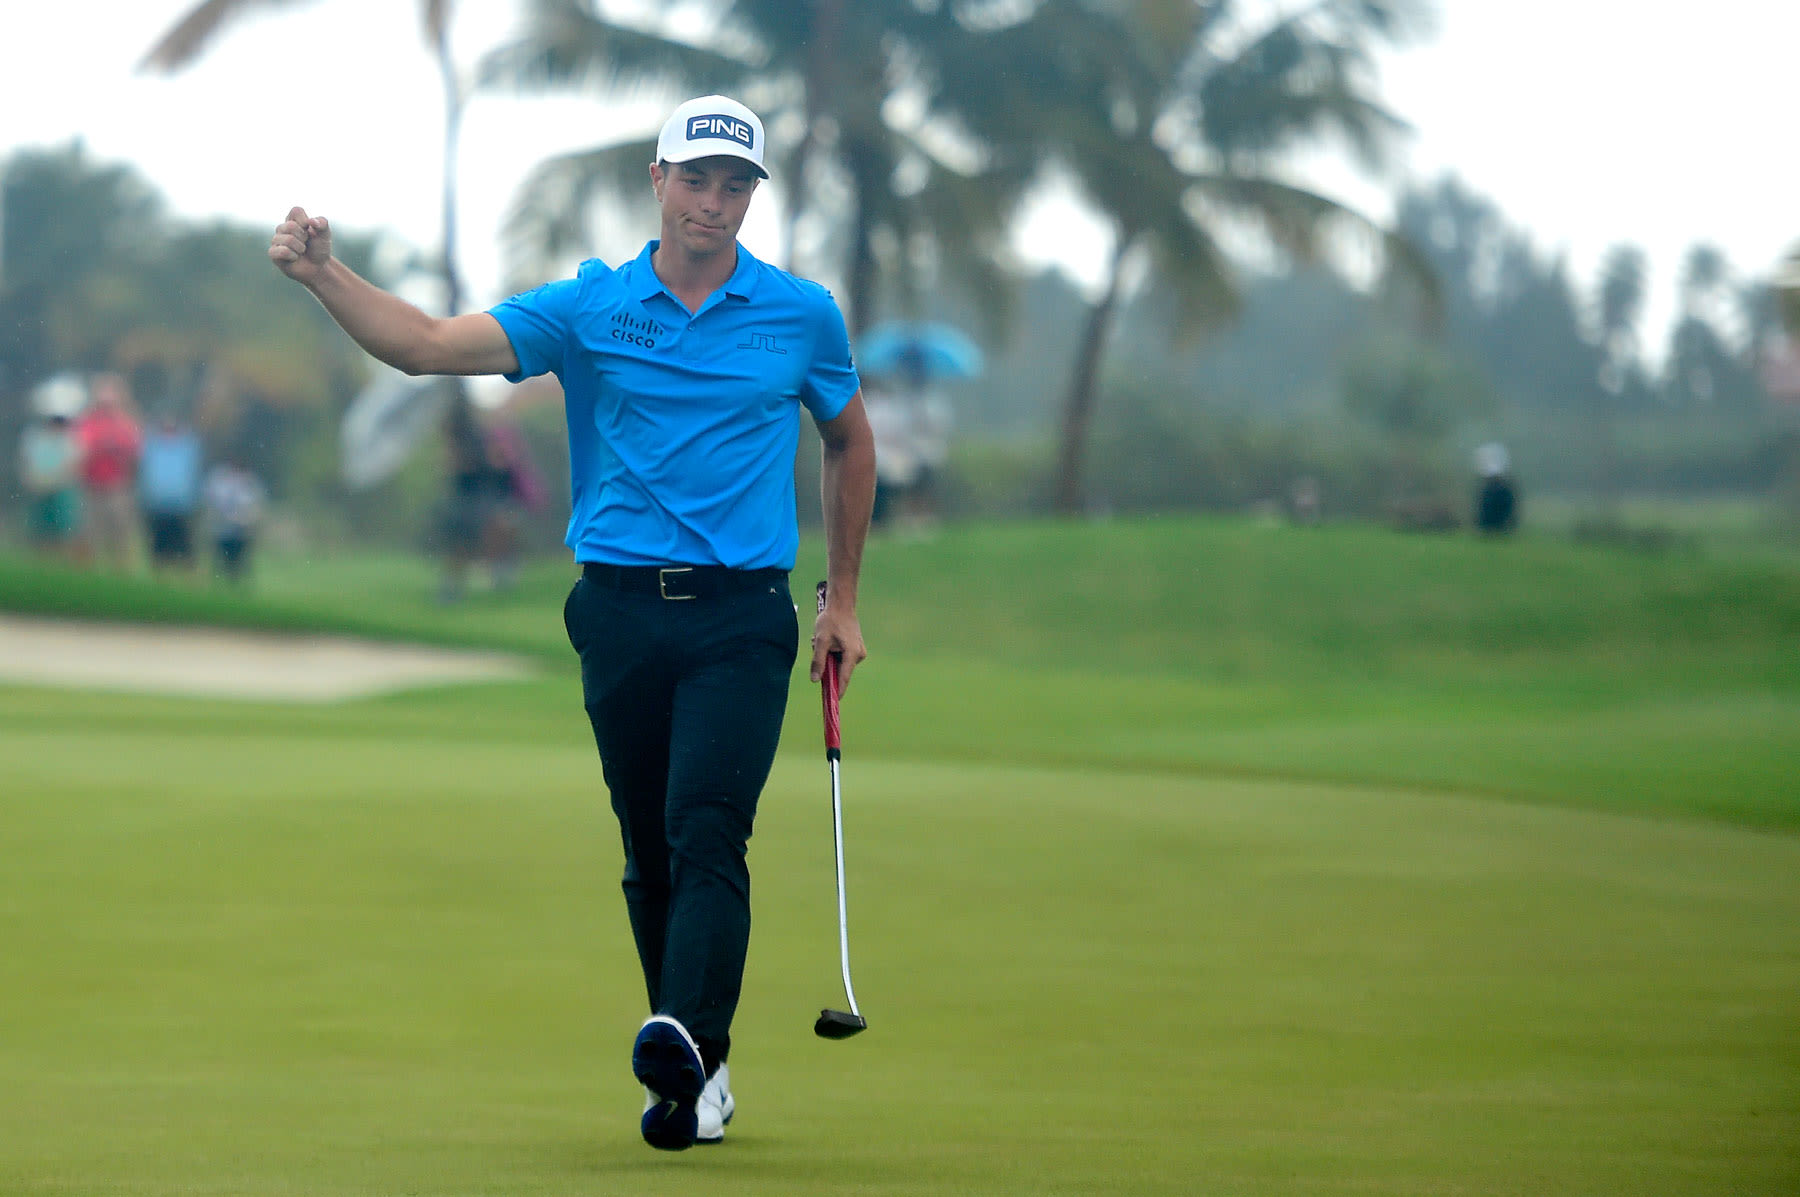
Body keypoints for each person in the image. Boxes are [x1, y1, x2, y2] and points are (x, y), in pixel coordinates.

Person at [268, 93, 876, 1153]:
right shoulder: (590, 307)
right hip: (618, 613)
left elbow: (850, 443)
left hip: (742, 616)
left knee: (707, 832)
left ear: (751, 197)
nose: (714, 202)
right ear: (658, 179)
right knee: (649, 849)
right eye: (696, 178)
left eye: (736, 185)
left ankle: (685, 1036)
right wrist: (325, 274)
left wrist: (846, 600)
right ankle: (701, 1074)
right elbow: (421, 345)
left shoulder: (801, 314)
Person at [73, 373, 143, 571]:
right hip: (92, 488)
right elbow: (82, 448)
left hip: (117, 488)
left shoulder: (126, 422)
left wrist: (112, 449)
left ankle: (121, 574)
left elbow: (134, 450)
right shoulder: (88, 421)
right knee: (88, 537)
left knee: (120, 537)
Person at [139, 413, 205, 574]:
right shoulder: (152, 447)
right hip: (157, 505)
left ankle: (187, 578)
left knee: (184, 545)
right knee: (159, 546)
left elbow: (194, 475)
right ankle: (160, 576)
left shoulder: (188, 448)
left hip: (182, 506)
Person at [19, 408, 84, 559]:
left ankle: (61, 557)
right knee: (40, 528)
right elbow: (27, 462)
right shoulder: (35, 437)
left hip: (60, 489)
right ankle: (41, 557)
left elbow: (73, 464)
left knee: (62, 528)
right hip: (39, 488)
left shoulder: (69, 439)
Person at [203, 454, 266, 584]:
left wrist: (245, 519)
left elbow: (255, 507)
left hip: (241, 532)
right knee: (223, 561)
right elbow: (212, 501)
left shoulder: (249, 483)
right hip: (222, 530)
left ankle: (236, 583)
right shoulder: (219, 480)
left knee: (239, 563)